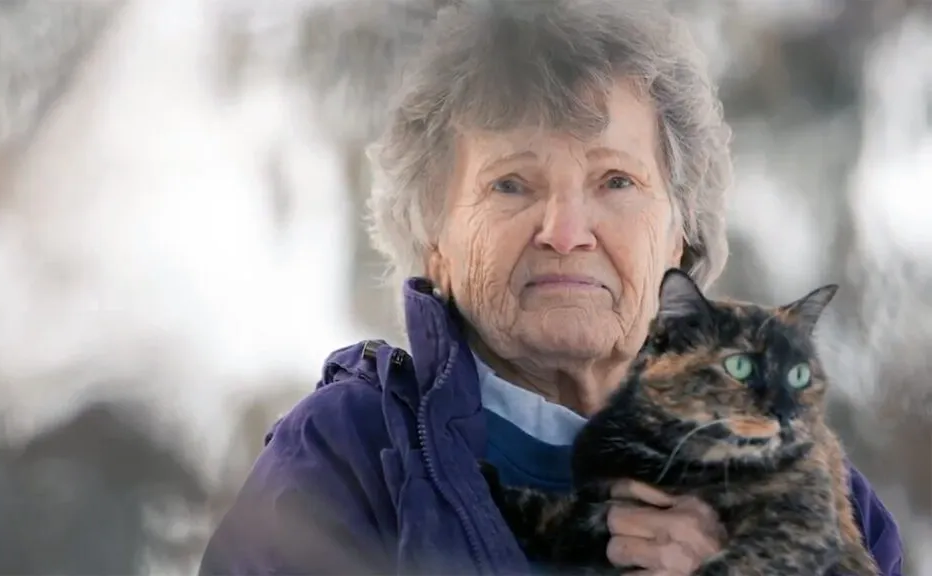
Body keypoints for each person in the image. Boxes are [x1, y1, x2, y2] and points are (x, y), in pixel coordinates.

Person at [200, 0, 904, 574]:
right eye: (512, 183)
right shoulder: (346, 456)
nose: (565, 231)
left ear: (680, 239)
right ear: (435, 245)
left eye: (616, 181)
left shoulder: (827, 495)